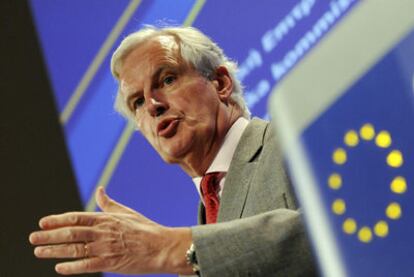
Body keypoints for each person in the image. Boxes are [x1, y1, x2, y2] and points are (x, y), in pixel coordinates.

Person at [29, 26, 316, 276]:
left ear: (220, 83)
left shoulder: (295, 137)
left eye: (167, 80)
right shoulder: (206, 219)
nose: (153, 105)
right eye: (137, 102)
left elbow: (340, 221)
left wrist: (168, 247)